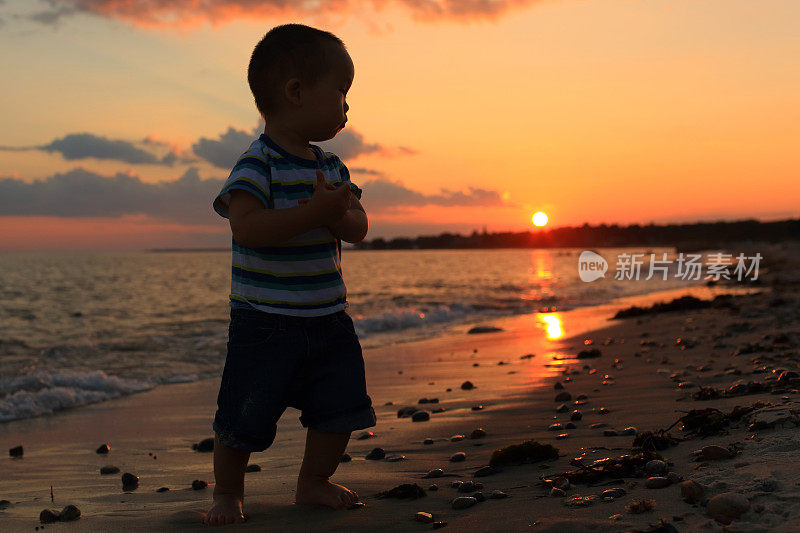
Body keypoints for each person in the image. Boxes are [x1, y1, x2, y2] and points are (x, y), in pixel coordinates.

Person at [203, 23, 376, 526]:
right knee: (243, 413)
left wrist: (338, 214)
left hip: (328, 318)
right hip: (264, 322)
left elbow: (360, 227)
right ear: (296, 92)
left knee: (340, 407)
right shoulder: (257, 165)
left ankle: (313, 481)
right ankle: (227, 490)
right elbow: (248, 227)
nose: (347, 107)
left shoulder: (332, 166)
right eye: (341, 92)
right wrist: (314, 214)